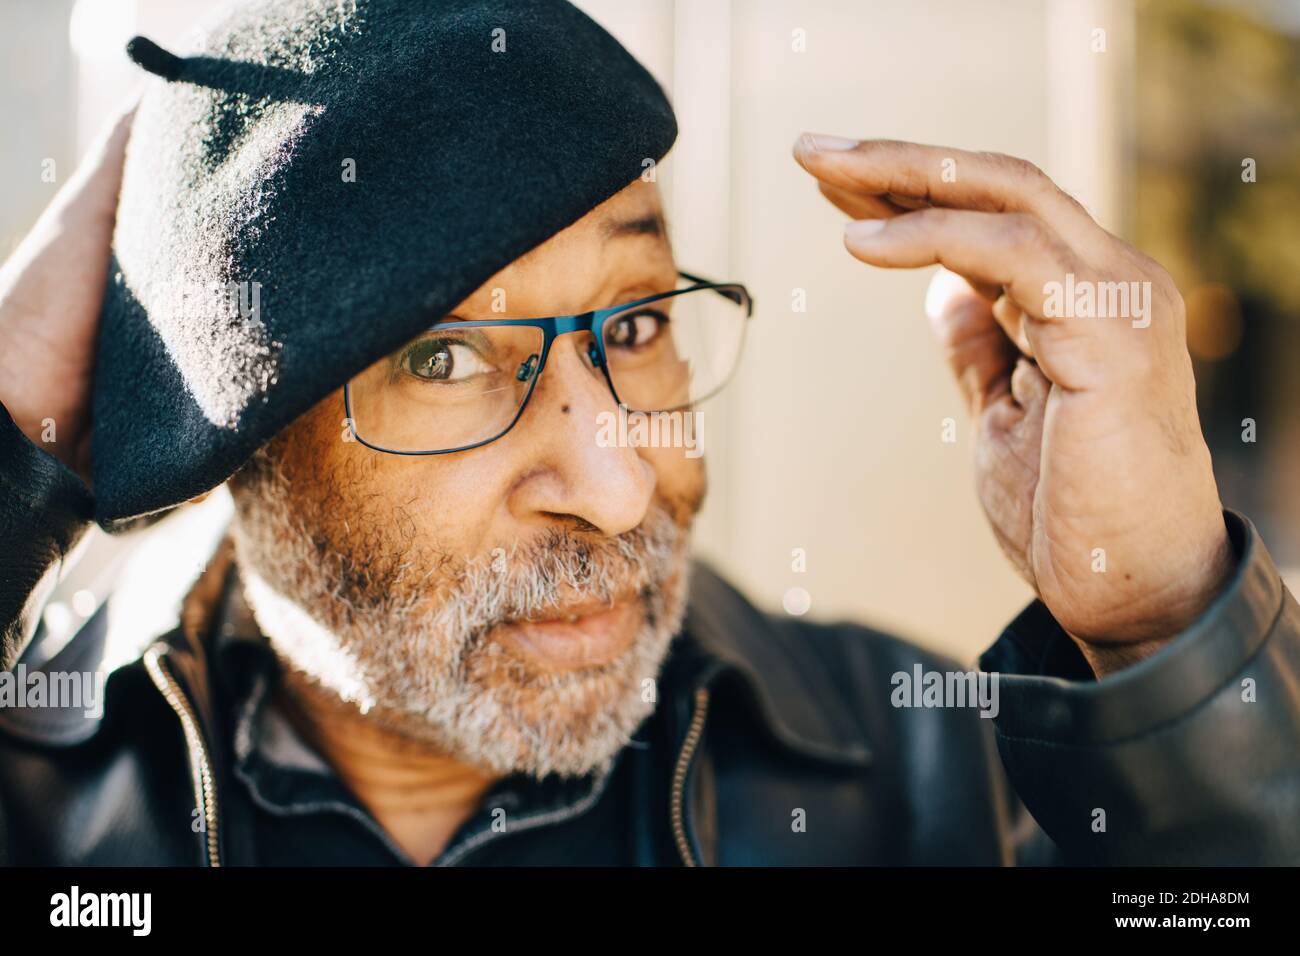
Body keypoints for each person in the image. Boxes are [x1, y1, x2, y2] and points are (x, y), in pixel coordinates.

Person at [0, 0, 1296, 866]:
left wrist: (1157, 630)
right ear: (242, 445)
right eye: (444, 358)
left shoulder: (933, 776)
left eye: (630, 328)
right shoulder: (38, 795)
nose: (621, 486)